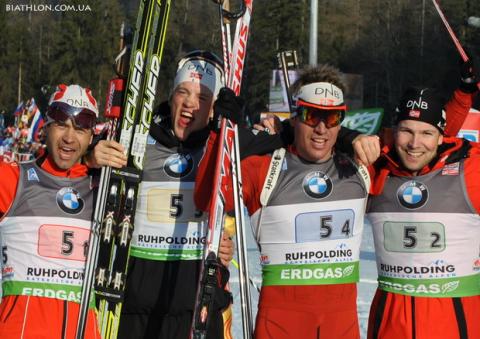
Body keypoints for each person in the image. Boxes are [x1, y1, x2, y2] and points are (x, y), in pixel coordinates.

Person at [195, 64, 380, 339]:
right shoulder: (263, 168)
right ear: (294, 118)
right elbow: (206, 200)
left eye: (332, 118)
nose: (320, 128)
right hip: (279, 327)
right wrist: (218, 133)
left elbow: (421, 148)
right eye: (310, 115)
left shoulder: (360, 167)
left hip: (341, 329)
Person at [87, 50, 235, 339]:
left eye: (202, 98)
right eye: (183, 92)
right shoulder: (137, 139)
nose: (190, 103)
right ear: (171, 95)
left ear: (214, 107)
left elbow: (288, 143)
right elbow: (64, 162)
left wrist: (346, 137)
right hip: (136, 304)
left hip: (199, 307)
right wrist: (89, 157)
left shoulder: (225, 145)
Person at [366, 87, 480, 339]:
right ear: (393, 132)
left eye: (427, 133)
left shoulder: (471, 169)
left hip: (454, 326)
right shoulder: (375, 170)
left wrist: (466, 92)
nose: (414, 144)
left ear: (441, 136)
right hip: (390, 326)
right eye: (406, 130)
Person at [0, 84, 100, 338]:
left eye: (79, 129)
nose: (69, 137)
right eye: (61, 125)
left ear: (91, 137)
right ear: (45, 127)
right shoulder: (14, 178)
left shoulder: (102, 188)